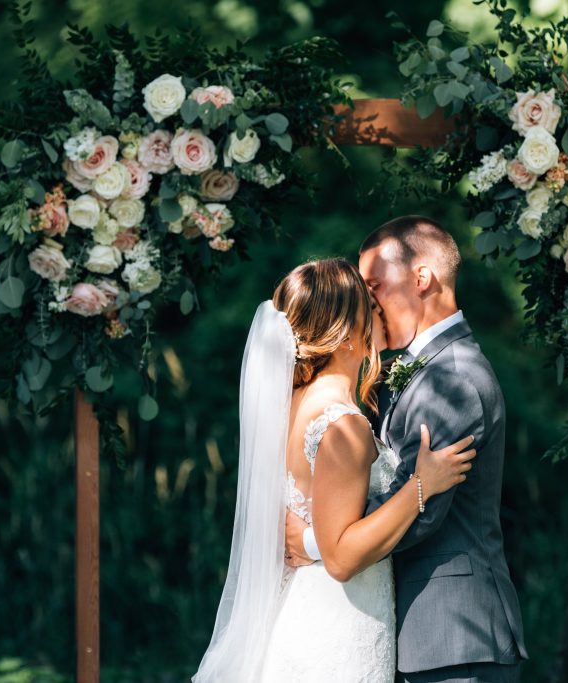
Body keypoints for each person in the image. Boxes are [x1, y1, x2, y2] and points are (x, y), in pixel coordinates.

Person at [193, 258, 476, 682]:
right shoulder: (343, 424)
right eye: (369, 307)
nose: (379, 311)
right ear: (345, 335)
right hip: (338, 626)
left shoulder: (289, 409)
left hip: (302, 611)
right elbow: (342, 557)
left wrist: (307, 540)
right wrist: (421, 485)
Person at [286, 216, 528, 683]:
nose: (367, 301)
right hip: (425, 635)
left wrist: (316, 541)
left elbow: (423, 513)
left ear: (422, 278)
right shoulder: (418, 370)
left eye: (374, 284)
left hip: (454, 636)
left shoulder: (451, 377)